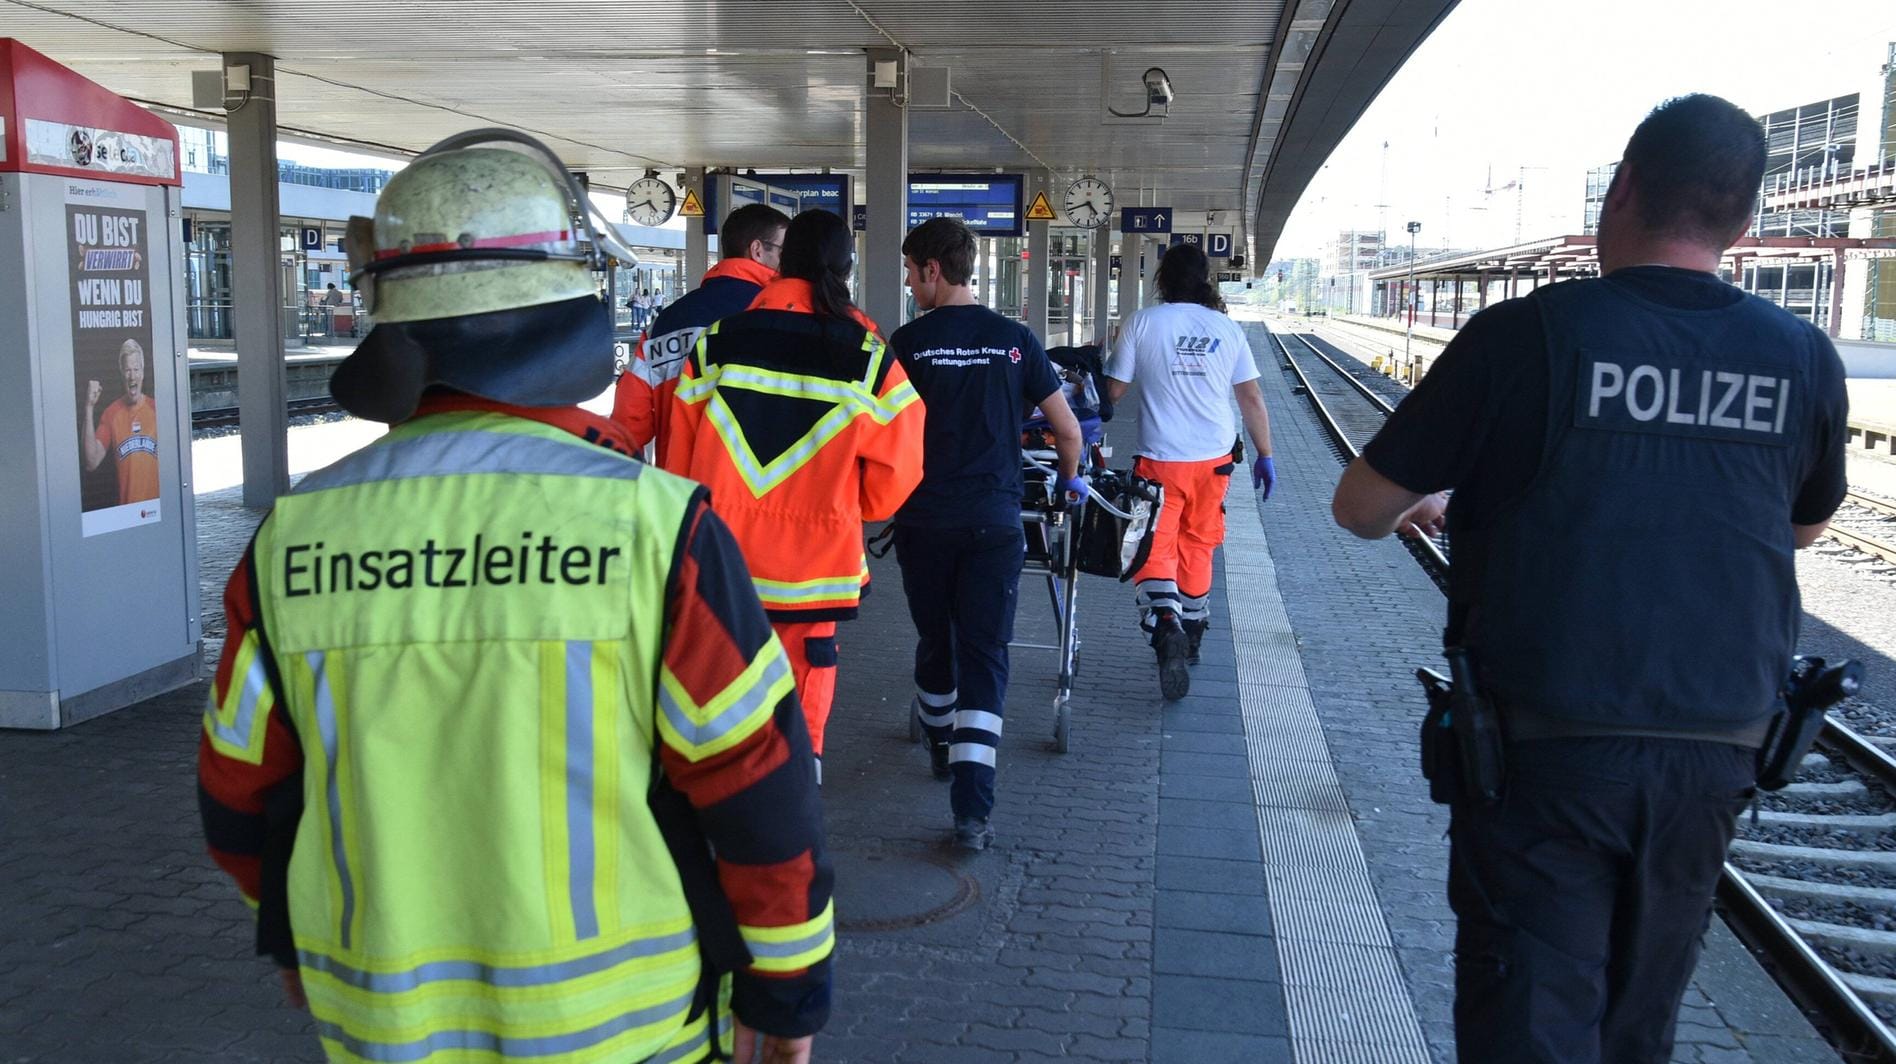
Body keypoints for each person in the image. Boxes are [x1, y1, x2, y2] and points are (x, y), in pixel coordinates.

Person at [197, 133, 831, 1064]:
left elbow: (237, 796)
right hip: (626, 1032)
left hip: (378, 1031)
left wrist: (297, 933)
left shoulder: (295, 535)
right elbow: (759, 791)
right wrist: (786, 1005)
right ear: (572, 303)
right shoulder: (655, 528)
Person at [1330, 95, 1850, 1064]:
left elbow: (1358, 507)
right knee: (1633, 1031)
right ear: (1743, 221)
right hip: (1716, 754)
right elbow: (1804, 524)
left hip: (1548, 756)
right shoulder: (1803, 356)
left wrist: (1439, 491)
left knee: (1530, 1022)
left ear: (1622, 192)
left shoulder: (1528, 333)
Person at [664, 208, 925, 784]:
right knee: (807, 674)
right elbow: (899, 470)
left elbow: (678, 459)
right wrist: (849, 507)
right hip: (815, 565)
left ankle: (722, 781)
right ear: (844, 269)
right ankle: (796, 782)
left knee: (721, 673)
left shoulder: (718, 342)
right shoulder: (867, 354)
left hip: (723, 557)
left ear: (782, 262)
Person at [888, 217, 1084, 851]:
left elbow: (883, 433)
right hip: (997, 524)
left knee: (933, 638)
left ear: (932, 270)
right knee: (985, 655)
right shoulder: (1015, 340)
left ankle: (942, 740)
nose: (912, 284)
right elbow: (1068, 432)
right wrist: (1067, 483)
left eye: (912, 271)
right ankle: (971, 810)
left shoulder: (908, 344)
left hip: (923, 521)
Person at [1102, 242, 1275, 701]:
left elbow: (1114, 391)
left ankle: (1166, 622)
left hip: (1160, 459)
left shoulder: (1143, 322)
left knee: (1155, 547)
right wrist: (1265, 453)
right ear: (1205, 280)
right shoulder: (1225, 328)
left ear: (1162, 279)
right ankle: (1193, 629)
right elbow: (1252, 399)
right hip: (1215, 460)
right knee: (1198, 544)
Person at [612, 204, 790, 465]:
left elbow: (627, 424)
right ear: (758, 250)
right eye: (786, 251)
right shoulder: (781, 315)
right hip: (755, 494)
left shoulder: (665, 322)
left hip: (679, 495)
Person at [83, 338, 159, 505]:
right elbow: (92, 461)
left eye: (136, 369)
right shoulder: (112, 414)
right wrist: (89, 407)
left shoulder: (156, 410)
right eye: (127, 370)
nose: (132, 376)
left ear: (143, 372)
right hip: (127, 512)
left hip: (157, 512)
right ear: (121, 373)